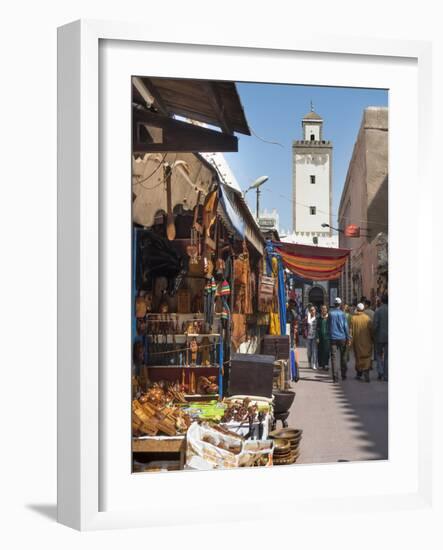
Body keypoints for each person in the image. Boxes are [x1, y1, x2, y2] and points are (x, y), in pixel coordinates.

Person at [350, 303, 374, 382]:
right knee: (366, 357)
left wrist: (350, 342)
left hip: (357, 341)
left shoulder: (353, 318)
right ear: (363, 309)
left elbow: (351, 332)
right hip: (367, 341)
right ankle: (366, 371)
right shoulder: (367, 318)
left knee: (358, 357)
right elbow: (371, 330)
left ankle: (359, 373)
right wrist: (373, 339)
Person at [328, 297, 350, 382]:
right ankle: (343, 374)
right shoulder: (342, 314)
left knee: (333, 357)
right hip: (342, 337)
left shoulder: (330, 313)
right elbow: (345, 326)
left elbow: (328, 326)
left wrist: (329, 335)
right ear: (340, 304)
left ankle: (335, 377)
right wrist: (348, 337)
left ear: (334, 304)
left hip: (333, 337)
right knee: (343, 356)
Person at [373, 294, 388, 381]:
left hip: (379, 337)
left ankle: (381, 372)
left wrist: (373, 334)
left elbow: (375, 325)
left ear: (381, 301)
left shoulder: (378, 311)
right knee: (387, 357)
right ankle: (386, 376)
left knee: (378, 355)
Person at [316, 304, 330, 370]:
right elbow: (317, 328)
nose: (324, 310)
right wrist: (317, 337)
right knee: (320, 351)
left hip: (327, 338)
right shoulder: (319, 319)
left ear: (327, 310)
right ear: (321, 310)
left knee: (326, 351)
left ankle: (326, 364)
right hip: (320, 338)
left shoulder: (329, 318)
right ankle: (320, 364)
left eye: (325, 308)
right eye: (322, 309)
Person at [306, 305, 318, 370]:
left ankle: (314, 364)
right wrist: (308, 315)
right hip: (308, 336)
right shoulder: (307, 318)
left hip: (314, 336)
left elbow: (309, 322)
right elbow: (308, 323)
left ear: (315, 311)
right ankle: (309, 363)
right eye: (310, 310)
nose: (312, 311)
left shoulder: (317, 317)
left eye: (313, 310)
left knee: (314, 351)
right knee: (309, 352)